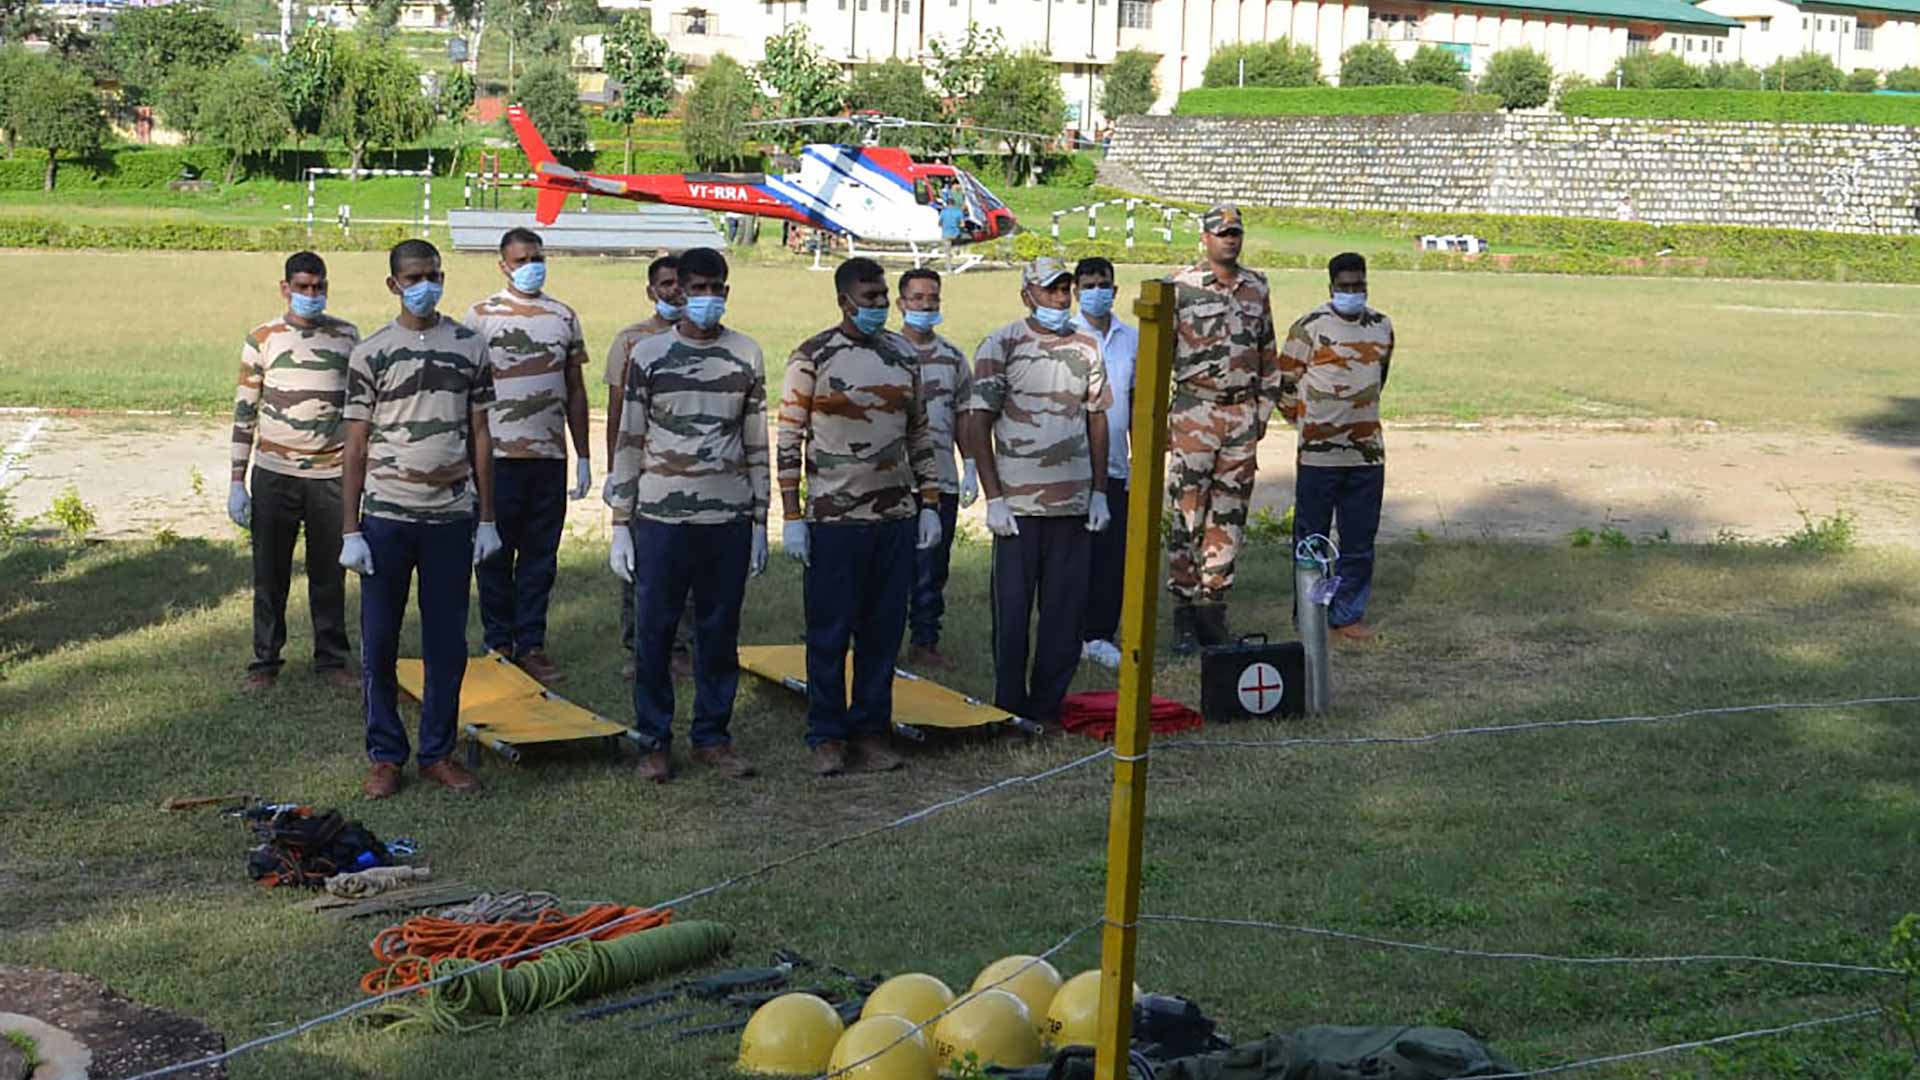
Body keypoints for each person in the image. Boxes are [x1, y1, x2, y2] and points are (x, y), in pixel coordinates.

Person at [340, 239, 500, 799]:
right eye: (413, 277)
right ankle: (385, 755)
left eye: (433, 274)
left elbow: (481, 434)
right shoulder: (372, 352)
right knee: (380, 641)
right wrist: (350, 529)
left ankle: (438, 753)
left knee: (447, 643)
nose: (425, 285)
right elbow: (354, 444)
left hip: (450, 518)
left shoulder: (469, 345)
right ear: (393, 285)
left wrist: (487, 517)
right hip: (387, 515)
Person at [605, 247, 769, 783]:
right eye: (695, 288)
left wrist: (761, 520)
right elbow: (630, 437)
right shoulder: (649, 354)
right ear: (678, 290)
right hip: (661, 517)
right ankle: (654, 740)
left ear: (726, 290)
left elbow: (756, 440)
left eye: (714, 288)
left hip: (727, 517)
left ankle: (713, 736)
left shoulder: (746, 353)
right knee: (654, 633)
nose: (704, 298)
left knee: (719, 632)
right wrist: (620, 522)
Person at [778, 257, 944, 776]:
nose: (879, 306)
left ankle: (871, 731)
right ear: (844, 301)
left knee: (882, 632)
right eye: (869, 298)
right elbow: (789, 436)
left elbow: (919, 432)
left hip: (894, 516)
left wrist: (930, 503)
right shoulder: (813, 356)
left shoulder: (903, 355)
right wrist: (791, 513)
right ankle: (826, 734)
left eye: (882, 296)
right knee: (829, 632)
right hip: (835, 519)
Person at [958, 256, 1111, 730]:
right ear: (1027, 294)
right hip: (1019, 506)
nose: (1060, 298)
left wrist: (1100, 491)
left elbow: (1097, 419)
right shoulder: (1001, 343)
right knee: (1012, 612)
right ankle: (1009, 704)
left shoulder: (1087, 345)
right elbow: (978, 421)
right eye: (1050, 290)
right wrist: (994, 496)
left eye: (1065, 289)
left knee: (1064, 614)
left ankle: (1047, 707)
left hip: (1072, 503)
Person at [462, 227, 590, 685]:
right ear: (503, 265)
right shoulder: (480, 317)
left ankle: (531, 643)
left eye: (537, 257)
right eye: (521, 260)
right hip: (496, 457)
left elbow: (575, 388)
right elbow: (465, 392)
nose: (531, 266)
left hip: (548, 458)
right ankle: (498, 643)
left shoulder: (563, 315)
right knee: (493, 554)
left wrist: (583, 454)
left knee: (540, 555)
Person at [229, 251, 360, 694]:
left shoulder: (347, 336)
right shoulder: (262, 339)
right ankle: (264, 661)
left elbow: (360, 409)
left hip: (330, 475)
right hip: (274, 474)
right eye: (302, 287)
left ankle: (332, 659)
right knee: (270, 574)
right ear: (285, 288)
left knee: (329, 573)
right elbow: (245, 411)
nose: (311, 294)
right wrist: (236, 480)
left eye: (318, 287)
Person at [1164, 202, 1281, 655]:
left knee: (1229, 516)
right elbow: (1160, 355)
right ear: (1205, 238)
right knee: (1188, 514)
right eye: (1222, 233)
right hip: (1195, 412)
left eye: (1236, 233)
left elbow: (1267, 355)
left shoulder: (1256, 287)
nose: (1230, 240)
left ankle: (1213, 611)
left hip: (1240, 417)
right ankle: (1184, 612)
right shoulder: (1182, 287)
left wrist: (1261, 413)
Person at [1280, 252, 1395, 643]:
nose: (1352, 292)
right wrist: (1309, 424)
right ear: (1330, 287)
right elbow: (1284, 384)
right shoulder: (1309, 328)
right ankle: (1310, 613)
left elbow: (1378, 378)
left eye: (1358, 285)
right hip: (1318, 457)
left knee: (1359, 540)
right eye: (1344, 286)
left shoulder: (1382, 326)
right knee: (1311, 540)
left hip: (1366, 454)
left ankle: (1348, 613)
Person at [605, 254, 696, 682]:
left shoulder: (705, 342)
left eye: (680, 283)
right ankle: (639, 648)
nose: (675, 291)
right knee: (639, 565)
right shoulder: (631, 341)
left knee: (688, 568)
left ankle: (683, 647)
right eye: (666, 284)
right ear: (650, 291)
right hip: (642, 472)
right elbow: (617, 410)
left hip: (691, 474)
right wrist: (614, 472)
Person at [895, 267, 974, 670]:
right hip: (893, 481)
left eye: (933, 298)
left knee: (931, 568)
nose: (926, 305)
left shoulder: (952, 357)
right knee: (887, 568)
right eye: (918, 298)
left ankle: (925, 641)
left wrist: (970, 464)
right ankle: (878, 640)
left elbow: (964, 415)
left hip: (940, 480)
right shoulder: (885, 351)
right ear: (900, 303)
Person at [1071, 257, 1137, 671]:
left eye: (1104, 284)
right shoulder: (1065, 335)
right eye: (1089, 285)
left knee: (1110, 557)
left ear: (1115, 290)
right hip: (1072, 467)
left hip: (1114, 466)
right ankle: (1070, 633)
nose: (1097, 291)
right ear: (1076, 291)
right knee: (1072, 557)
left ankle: (1100, 634)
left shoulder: (1132, 339)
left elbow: (1137, 402)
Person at [938, 198, 965, 269]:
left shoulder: (943, 212)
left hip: (946, 234)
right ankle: (957, 248)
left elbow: (939, 224)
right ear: (954, 204)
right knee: (959, 236)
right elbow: (963, 224)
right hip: (955, 234)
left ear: (947, 204)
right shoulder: (959, 212)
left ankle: (949, 269)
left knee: (947, 253)